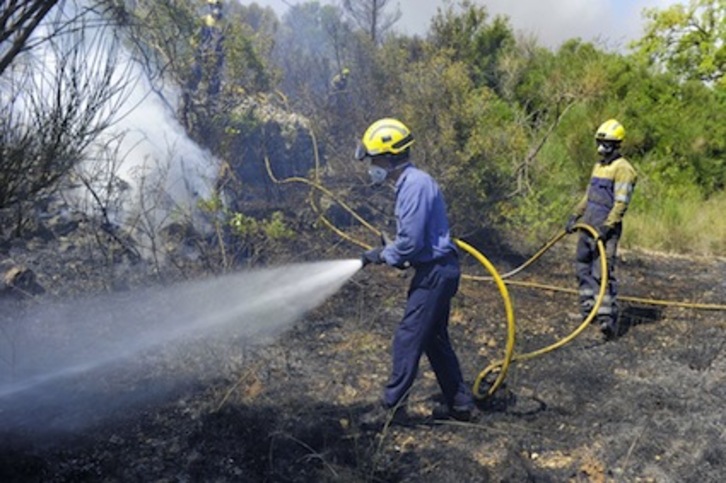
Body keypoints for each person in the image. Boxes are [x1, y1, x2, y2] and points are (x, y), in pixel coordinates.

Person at [355, 118, 476, 427]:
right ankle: (461, 405)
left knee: (408, 338)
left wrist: (383, 254)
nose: (371, 166)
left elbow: (411, 242)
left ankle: (390, 407)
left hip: (435, 273)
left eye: (374, 159)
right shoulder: (410, 184)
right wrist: (390, 251)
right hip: (437, 270)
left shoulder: (415, 186)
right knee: (434, 339)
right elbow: (413, 239)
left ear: (390, 157)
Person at [565, 119, 637, 339]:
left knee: (602, 273)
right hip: (587, 224)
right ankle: (588, 310)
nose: (601, 148)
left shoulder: (624, 169)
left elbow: (621, 203)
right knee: (582, 267)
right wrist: (575, 215)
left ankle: (607, 319)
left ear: (617, 145)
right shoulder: (599, 166)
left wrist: (607, 228)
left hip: (605, 230)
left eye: (606, 144)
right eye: (599, 143)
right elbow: (589, 196)